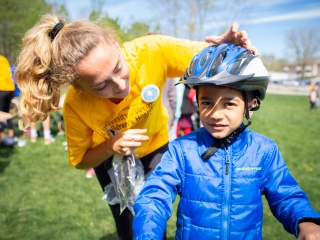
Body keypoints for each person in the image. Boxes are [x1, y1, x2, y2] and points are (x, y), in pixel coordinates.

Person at [14, 13, 257, 240]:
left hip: (155, 145)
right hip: (111, 160)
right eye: (101, 86)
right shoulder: (76, 106)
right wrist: (112, 145)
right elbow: (80, 161)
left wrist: (228, 50)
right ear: (79, 87)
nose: (120, 85)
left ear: (117, 45)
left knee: (154, 211)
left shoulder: (152, 51)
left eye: (119, 67)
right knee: (127, 223)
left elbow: (211, 60)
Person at [133, 44, 320, 239]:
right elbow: (154, 197)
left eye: (229, 104)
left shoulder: (264, 151)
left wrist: (305, 222)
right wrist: (147, 232)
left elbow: (286, 196)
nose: (215, 114)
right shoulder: (182, 150)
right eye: (206, 102)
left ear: (251, 104)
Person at [0, 55, 15, 147]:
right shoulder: (3, 59)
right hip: (9, 89)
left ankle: (2, 139)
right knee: (7, 114)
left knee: (0, 115)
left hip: (1, 89)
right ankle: (11, 136)